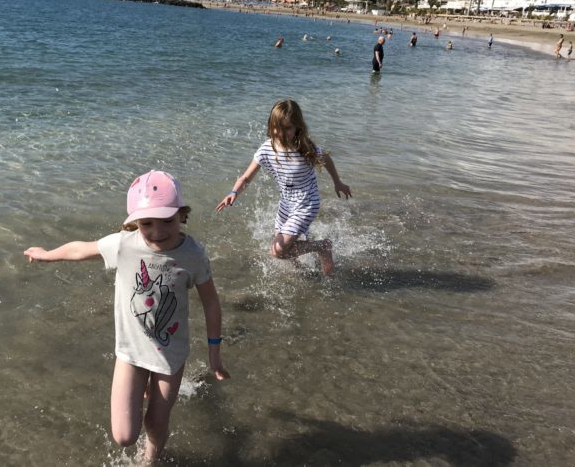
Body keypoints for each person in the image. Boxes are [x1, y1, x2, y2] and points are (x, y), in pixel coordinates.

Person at [24, 170, 229, 461]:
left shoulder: (193, 254)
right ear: (134, 222)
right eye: (146, 223)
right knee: (123, 436)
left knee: (156, 424)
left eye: (167, 221)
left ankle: (151, 458)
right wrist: (47, 254)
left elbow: (211, 303)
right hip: (131, 353)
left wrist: (214, 354)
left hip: (169, 357)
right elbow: (81, 249)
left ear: (182, 214)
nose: (158, 232)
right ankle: (140, 393)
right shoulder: (123, 245)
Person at [216, 100, 352, 276]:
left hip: (307, 203)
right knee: (283, 251)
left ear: (297, 127)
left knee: (278, 250)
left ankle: (323, 247)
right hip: (286, 204)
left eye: (286, 128)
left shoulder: (304, 148)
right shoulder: (266, 149)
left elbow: (325, 158)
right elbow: (246, 177)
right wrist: (233, 192)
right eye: (276, 128)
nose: (280, 133)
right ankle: (304, 275)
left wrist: (337, 182)